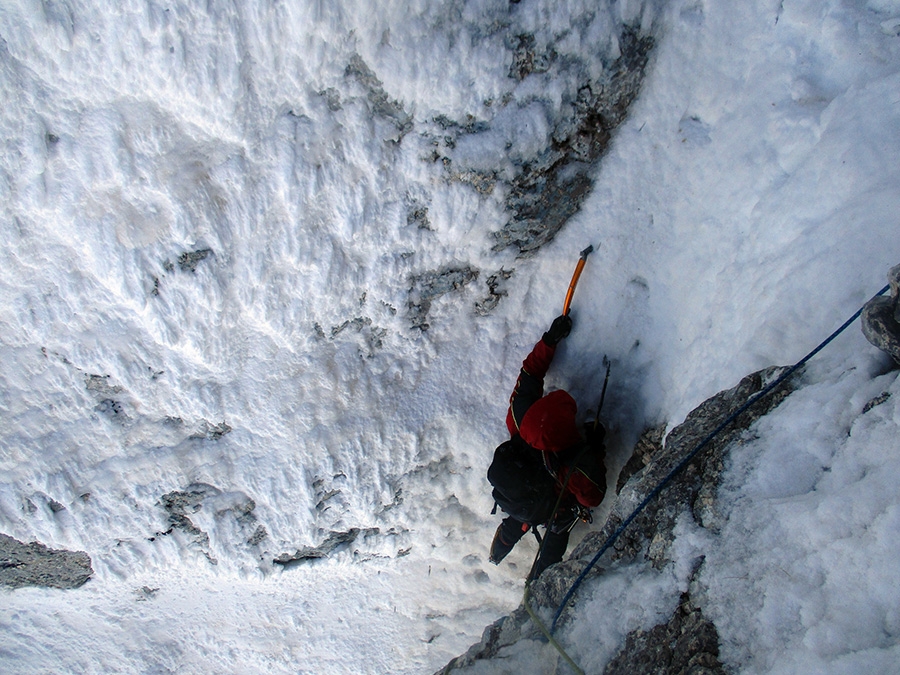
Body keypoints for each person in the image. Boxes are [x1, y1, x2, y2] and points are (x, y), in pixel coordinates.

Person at [488, 314, 607, 580]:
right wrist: (595, 447)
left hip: (521, 496)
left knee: (519, 519)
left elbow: (530, 373)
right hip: (551, 507)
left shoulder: (520, 416)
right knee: (554, 540)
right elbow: (593, 496)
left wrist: (549, 340)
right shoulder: (573, 466)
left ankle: (499, 550)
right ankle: (539, 582)